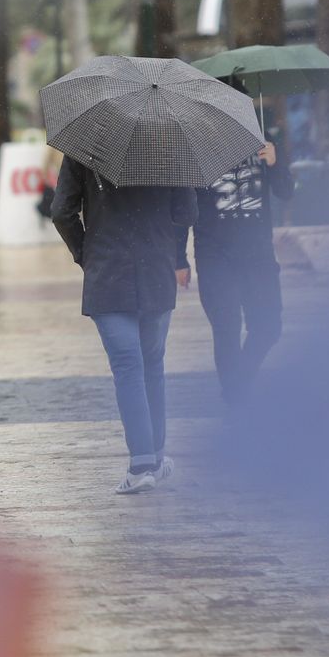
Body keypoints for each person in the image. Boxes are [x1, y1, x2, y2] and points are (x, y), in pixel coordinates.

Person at [51, 158, 196, 495]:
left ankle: (142, 464)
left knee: (128, 367)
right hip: (156, 271)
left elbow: (62, 212)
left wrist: (85, 253)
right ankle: (155, 457)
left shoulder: (84, 147)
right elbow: (187, 212)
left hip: (108, 273)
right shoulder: (166, 145)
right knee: (151, 365)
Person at [188, 131, 294, 407]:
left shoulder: (262, 140)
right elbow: (184, 205)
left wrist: (274, 163)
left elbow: (286, 191)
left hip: (257, 255)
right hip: (215, 255)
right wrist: (178, 256)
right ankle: (235, 403)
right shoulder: (197, 146)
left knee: (269, 326)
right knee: (226, 328)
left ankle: (236, 386)